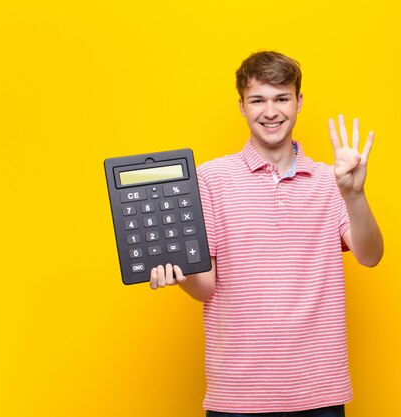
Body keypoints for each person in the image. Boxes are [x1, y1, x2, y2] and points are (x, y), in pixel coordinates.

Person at [149, 51, 383, 417]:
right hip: (238, 391)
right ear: (241, 106)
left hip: (319, 388)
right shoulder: (209, 178)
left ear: (299, 101)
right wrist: (179, 274)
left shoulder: (329, 180)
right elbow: (205, 286)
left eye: (281, 98)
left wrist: (354, 194)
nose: (270, 111)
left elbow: (370, 255)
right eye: (257, 100)